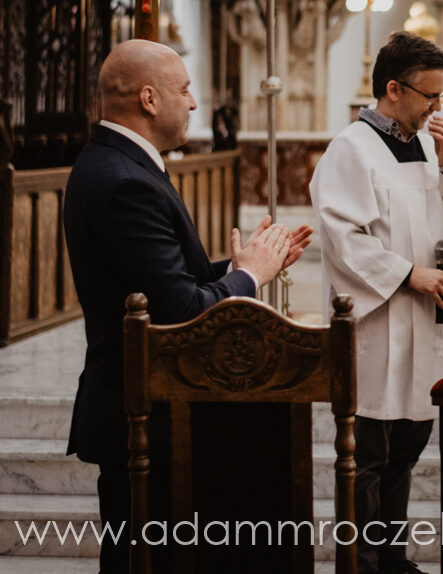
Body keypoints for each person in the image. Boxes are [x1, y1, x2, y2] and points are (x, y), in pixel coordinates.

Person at [64, 39, 310, 574]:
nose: (194, 104)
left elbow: (163, 282)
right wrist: (250, 276)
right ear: (150, 99)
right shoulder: (125, 181)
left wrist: (238, 265)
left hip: (148, 406)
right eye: (185, 90)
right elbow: (180, 314)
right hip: (148, 412)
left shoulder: (119, 164)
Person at [311, 31, 443, 574]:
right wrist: (407, 273)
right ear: (393, 88)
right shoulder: (352, 148)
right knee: (368, 452)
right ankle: (361, 561)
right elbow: (342, 236)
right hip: (377, 323)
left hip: (425, 324)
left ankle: (390, 557)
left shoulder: (425, 145)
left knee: (409, 442)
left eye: (442, 97)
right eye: (430, 96)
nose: (438, 107)